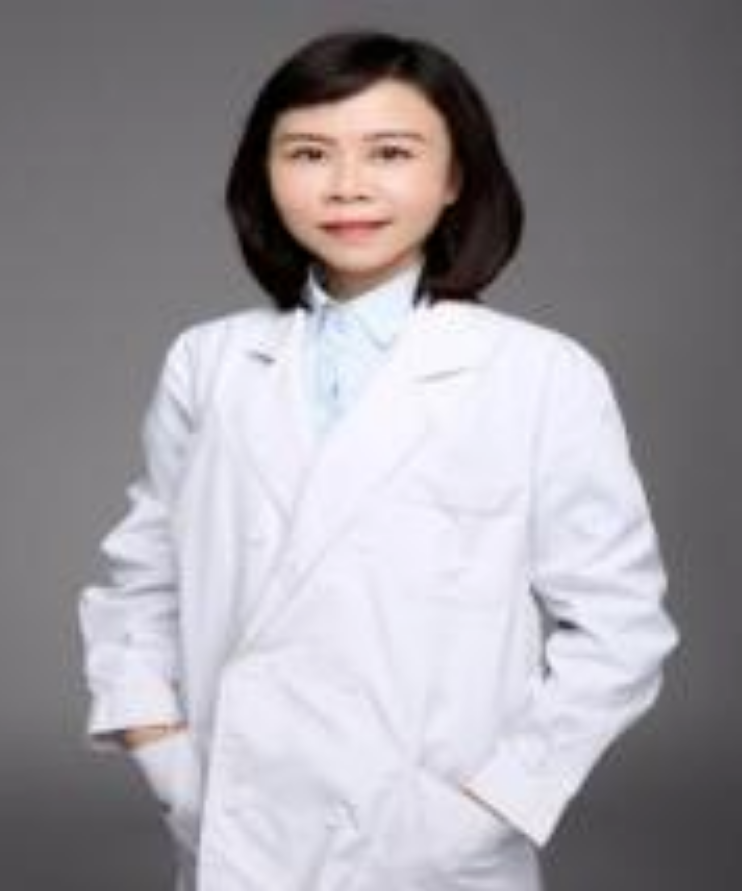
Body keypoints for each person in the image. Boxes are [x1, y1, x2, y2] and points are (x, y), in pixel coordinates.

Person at [78, 29, 678, 891]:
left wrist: (497, 803)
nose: (347, 185)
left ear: (455, 176)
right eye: (308, 152)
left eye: (391, 152)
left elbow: (620, 627)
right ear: (263, 173)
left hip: (433, 841)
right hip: (239, 823)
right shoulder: (209, 362)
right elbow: (142, 581)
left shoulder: (541, 374)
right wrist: (164, 752)